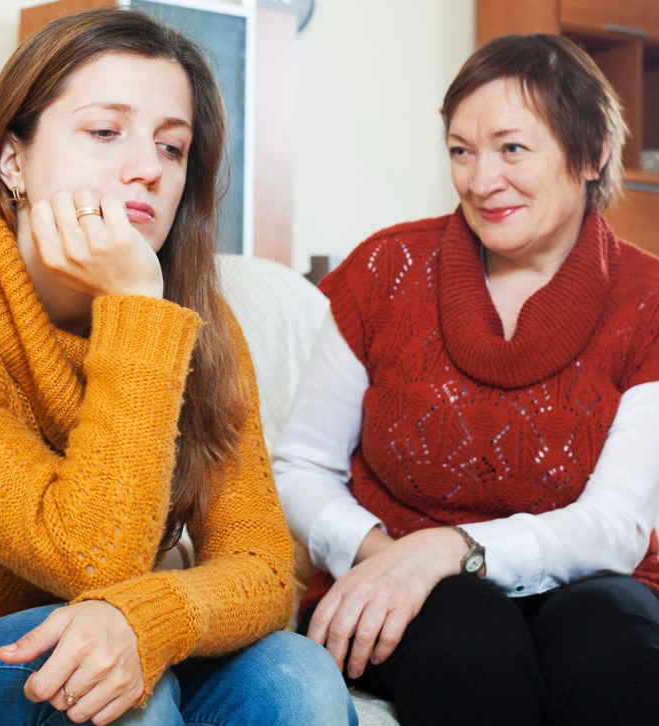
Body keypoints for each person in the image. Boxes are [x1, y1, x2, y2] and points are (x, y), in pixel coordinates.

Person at [0, 8, 356, 726]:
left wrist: (149, 619)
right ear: (13, 158)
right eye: (105, 132)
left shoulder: (202, 325)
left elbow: (263, 569)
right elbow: (89, 556)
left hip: (123, 635)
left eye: (172, 147)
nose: (147, 169)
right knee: (119, 693)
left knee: (300, 674)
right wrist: (133, 304)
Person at [273, 32, 659, 725]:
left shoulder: (649, 298)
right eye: (461, 150)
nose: (481, 181)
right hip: (406, 581)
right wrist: (386, 556)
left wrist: (455, 548)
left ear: (593, 150)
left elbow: (615, 524)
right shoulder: (384, 270)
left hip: (587, 580)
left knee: (619, 646)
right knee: (469, 642)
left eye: (512, 148)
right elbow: (302, 464)